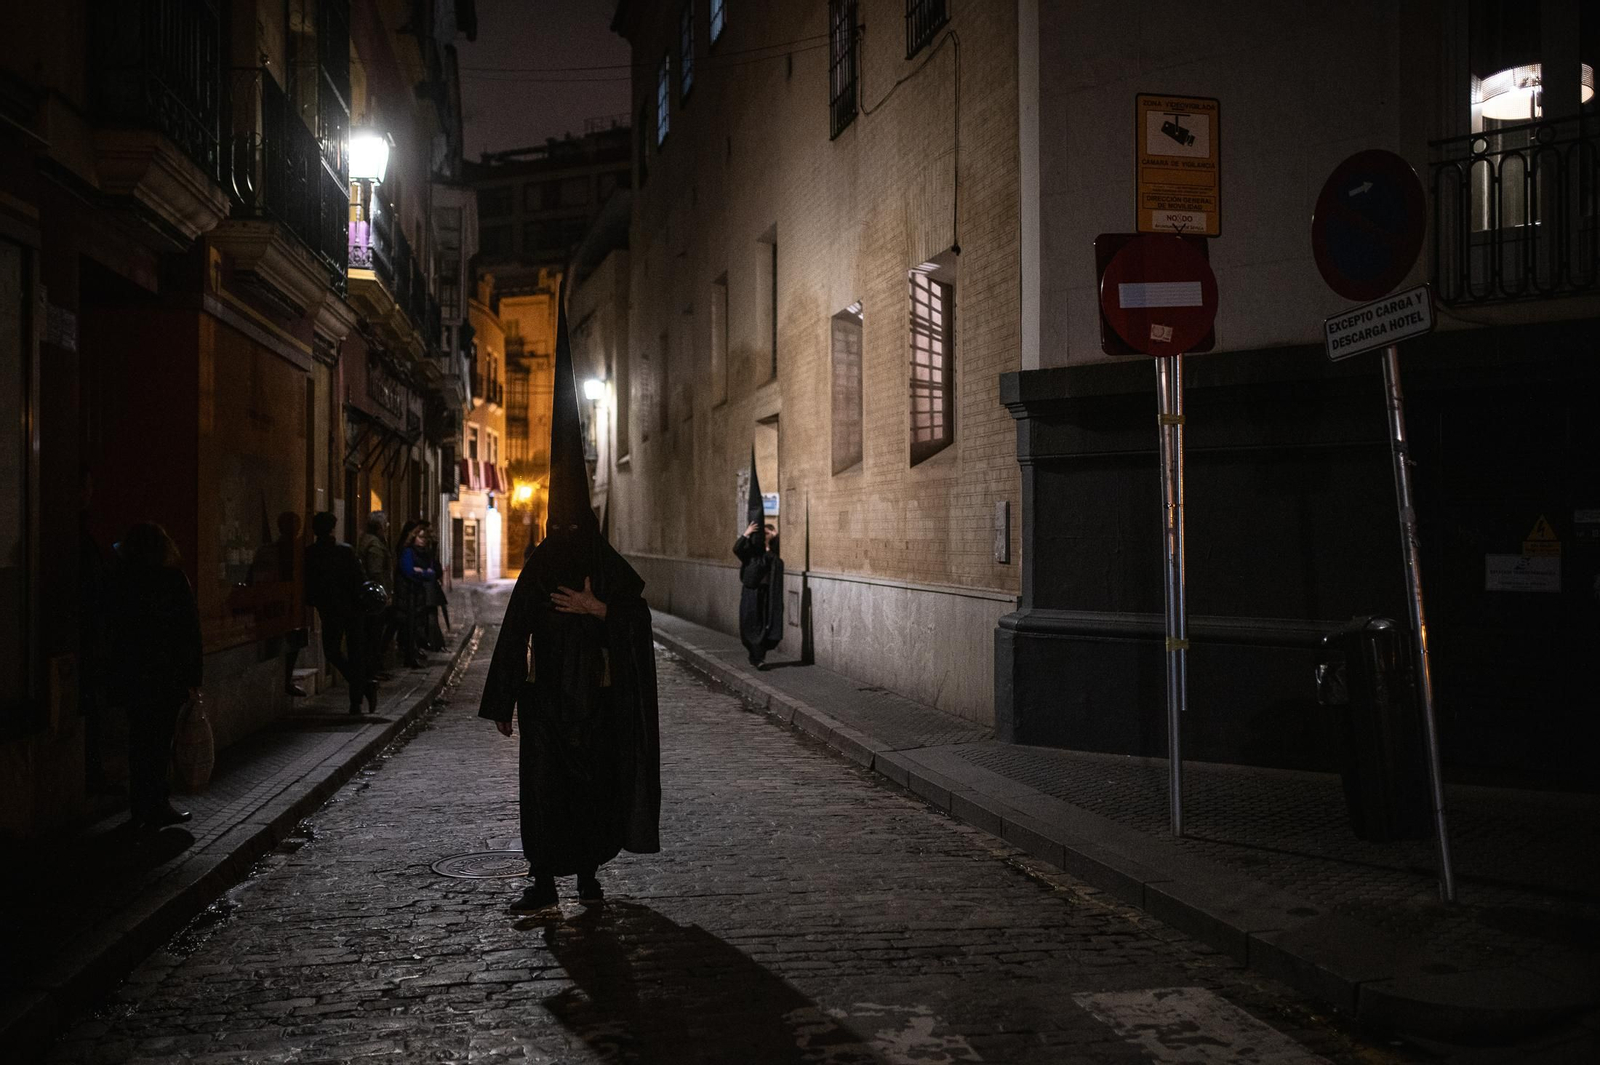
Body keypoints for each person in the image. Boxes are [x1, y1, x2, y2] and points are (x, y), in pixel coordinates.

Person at [480, 290, 660, 914]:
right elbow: (514, 630)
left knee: (590, 792)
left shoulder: (602, 562)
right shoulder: (544, 561)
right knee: (543, 793)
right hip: (549, 699)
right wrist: (505, 700)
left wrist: (598, 611)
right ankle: (545, 881)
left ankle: (586, 877)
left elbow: (636, 615)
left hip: (598, 701)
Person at [103, 523, 202, 829]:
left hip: (134, 675)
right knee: (159, 742)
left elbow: (112, 630)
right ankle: (157, 803)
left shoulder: (121, 581)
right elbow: (188, 631)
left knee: (139, 741)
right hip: (165, 676)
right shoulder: (171, 580)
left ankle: (140, 807)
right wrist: (193, 676)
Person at [304, 512, 375, 715]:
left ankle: (358, 697)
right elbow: (361, 579)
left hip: (332, 610)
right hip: (351, 609)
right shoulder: (345, 551)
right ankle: (359, 696)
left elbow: (310, 585)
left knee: (333, 651)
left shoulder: (312, 553)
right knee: (354, 654)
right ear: (333, 529)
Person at [732, 450, 784, 669]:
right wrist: (746, 533)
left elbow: (775, 563)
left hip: (765, 595)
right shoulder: (749, 555)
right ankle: (756, 657)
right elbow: (737, 549)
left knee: (764, 624)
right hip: (751, 593)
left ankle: (760, 655)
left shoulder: (768, 556)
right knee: (751, 624)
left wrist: (769, 542)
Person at [394, 520, 436, 668]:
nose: (423, 540)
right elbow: (408, 571)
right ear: (413, 537)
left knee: (416, 626)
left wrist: (421, 572)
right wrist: (421, 572)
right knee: (408, 626)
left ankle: (413, 654)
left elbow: (432, 573)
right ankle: (409, 656)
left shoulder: (425, 554)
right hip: (408, 594)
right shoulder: (408, 552)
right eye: (420, 537)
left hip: (418, 594)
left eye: (425, 538)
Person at [359, 513, 394, 678]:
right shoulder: (374, 545)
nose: (387, 528)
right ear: (379, 527)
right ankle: (372, 670)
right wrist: (384, 595)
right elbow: (376, 572)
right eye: (385, 525)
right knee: (374, 634)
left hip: (372, 597)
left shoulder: (369, 541)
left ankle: (373, 667)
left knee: (374, 633)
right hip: (375, 599)